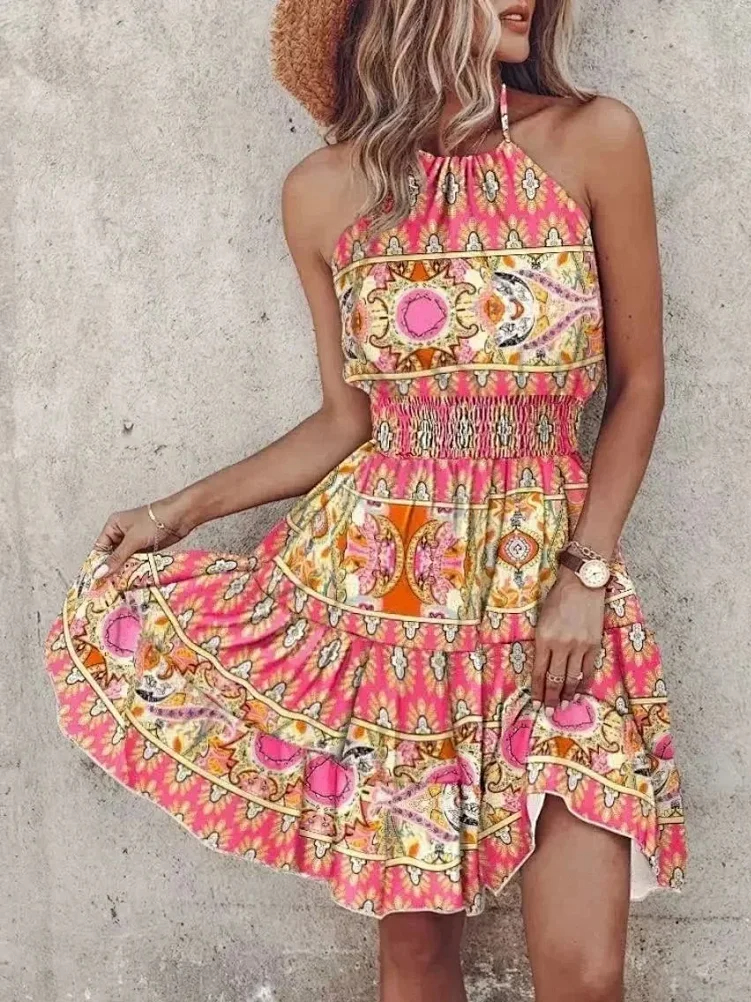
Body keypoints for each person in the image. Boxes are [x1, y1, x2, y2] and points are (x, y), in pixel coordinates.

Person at [44, 1, 688, 999]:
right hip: (388, 601)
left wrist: (587, 571)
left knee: (585, 971)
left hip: (554, 595)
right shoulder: (323, 191)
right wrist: (180, 510)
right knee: (417, 954)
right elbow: (347, 420)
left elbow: (639, 384)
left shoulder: (594, 138)